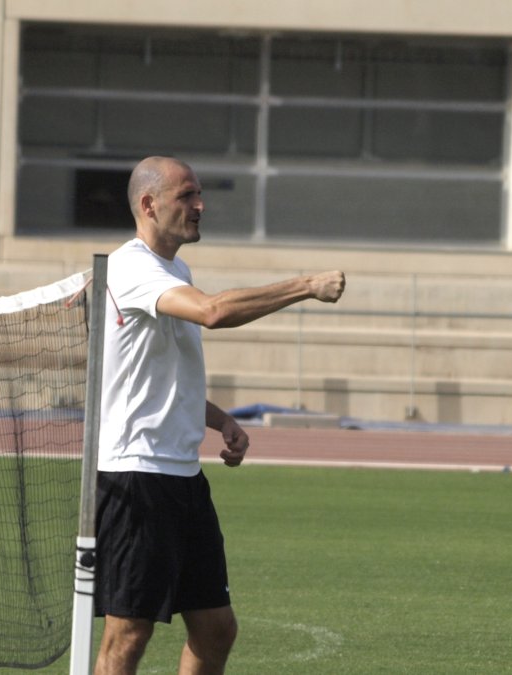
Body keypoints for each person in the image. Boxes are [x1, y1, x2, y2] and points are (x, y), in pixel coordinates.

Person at [93, 156, 346, 674]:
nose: (199, 205)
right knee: (127, 636)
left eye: (198, 194)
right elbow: (213, 312)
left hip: (181, 476)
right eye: (187, 195)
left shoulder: (173, 269)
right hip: (137, 476)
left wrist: (219, 420)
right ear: (149, 204)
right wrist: (305, 286)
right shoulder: (132, 267)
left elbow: (159, 375)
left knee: (215, 627)